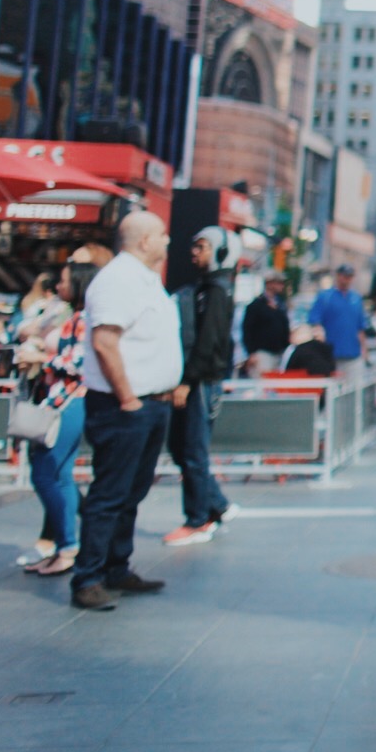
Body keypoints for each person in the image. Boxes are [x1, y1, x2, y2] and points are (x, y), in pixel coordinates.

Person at [72, 211, 183, 612]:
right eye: (161, 235)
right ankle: (88, 577)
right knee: (110, 493)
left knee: (131, 492)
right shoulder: (117, 280)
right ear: (143, 242)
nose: (168, 241)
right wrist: (128, 399)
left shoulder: (146, 280)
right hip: (125, 406)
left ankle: (116, 567)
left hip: (151, 402)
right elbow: (105, 342)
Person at [13, 258, 101, 577]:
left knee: (46, 473)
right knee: (58, 475)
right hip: (63, 401)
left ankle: (66, 547)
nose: (58, 286)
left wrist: (41, 358)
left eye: (64, 281)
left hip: (69, 402)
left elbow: (80, 364)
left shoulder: (84, 319)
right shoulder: (75, 317)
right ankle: (64, 547)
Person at [162, 228, 237, 547]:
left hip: (202, 383)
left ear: (221, 252)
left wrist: (186, 382)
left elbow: (207, 344)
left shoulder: (217, 291)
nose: (195, 252)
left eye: (202, 247)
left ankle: (198, 518)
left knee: (192, 450)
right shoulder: (205, 289)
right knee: (183, 448)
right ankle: (216, 505)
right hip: (198, 380)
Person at [308, 264, 367, 372]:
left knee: (354, 385)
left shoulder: (356, 298)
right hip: (332, 354)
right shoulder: (325, 297)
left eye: (350, 277)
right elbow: (316, 323)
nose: (347, 280)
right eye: (345, 276)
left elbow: (360, 328)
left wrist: (364, 351)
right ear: (338, 276)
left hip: (353, 353)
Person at [240, 273, 291, 375]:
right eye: (279, 283)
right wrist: (251, 352)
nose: (282, 286)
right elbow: (247, 329)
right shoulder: (256, 305)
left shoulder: (280, 305)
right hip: (262, 353)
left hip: (279, 352)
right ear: (270, 284)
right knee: (262, 384)